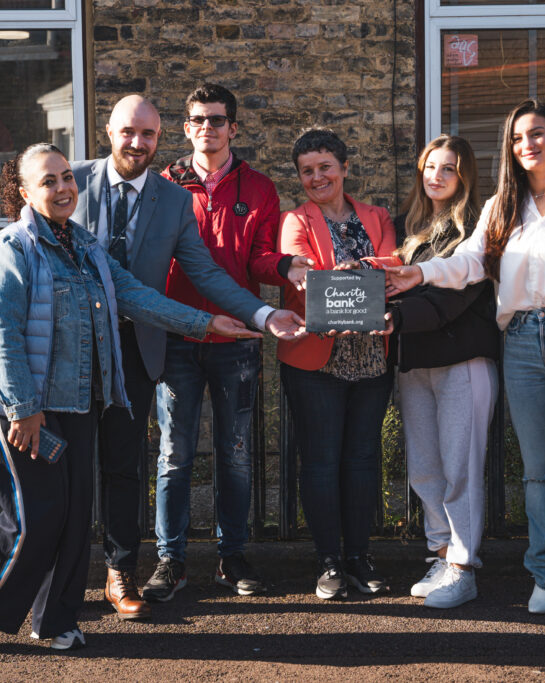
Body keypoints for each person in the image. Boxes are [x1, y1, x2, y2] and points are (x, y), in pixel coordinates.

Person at [0, 143, 261, 652]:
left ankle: (55, 619)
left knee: (73, 516)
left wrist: (206, 323)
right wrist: (25, 409)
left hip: (75, 401)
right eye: (48, 181)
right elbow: (1, 336)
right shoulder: (12, 247)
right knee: (35, 516)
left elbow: (135, 295)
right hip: (16, 407)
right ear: (24, 193)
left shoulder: (84, 245)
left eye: (66, 177)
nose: (62, 188)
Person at [70, 95, 305, 621]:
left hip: (145, 344)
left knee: (126, 465)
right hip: (77, 347)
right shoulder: (73, 181)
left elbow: (207, 269)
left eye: (146, 134)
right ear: (108, 130)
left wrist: (265, 316)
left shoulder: (173, 199)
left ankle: (121, 569)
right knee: (72, 463)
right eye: (129, 131)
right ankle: (59, 576)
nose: (137, 142)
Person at [386, 100, 545, 622]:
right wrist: (417, 275)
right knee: (538, 472)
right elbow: (469, 262)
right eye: (516, 138)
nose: (527, 145)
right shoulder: (501, 207)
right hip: (520, 343)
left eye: (536, 134)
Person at [142, 83, 311, 602]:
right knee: (174, 453)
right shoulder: (163, 184)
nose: (208, 128)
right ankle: (170, 559)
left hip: (237, 336)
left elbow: (259, 259)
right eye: (198, 119)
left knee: (236, 453)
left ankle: (230, 555)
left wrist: (286, 265)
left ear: (233, 127)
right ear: (186, 127)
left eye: (218, 119)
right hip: (178, 333)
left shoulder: (258, 188)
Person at [373, 135, 499, 608]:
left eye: (448, 169)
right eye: (430, 166)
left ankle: (464, 568)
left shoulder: (476, 228)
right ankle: (443, 553)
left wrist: (398, 316)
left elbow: (455, 297)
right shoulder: (404, 226)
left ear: (465, 176)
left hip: (462, 361)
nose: (436, 176)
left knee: (460, 465)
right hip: (414, 361)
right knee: (425, 468)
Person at [278, 128, 395, 600]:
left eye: (325, 167)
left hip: (370, 356)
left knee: (363, 459)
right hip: (315, 357)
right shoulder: (295, 220)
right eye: (307, 171)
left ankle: (359, 557)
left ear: (344, 169)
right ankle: (328, 561)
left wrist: (364, 274)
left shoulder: (377, 215)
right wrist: (341, 278)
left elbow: (392, 263)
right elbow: (301, 270)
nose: (316, 177)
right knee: (322, 462)